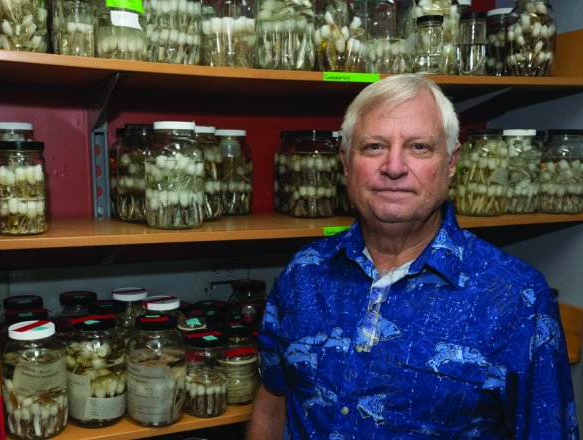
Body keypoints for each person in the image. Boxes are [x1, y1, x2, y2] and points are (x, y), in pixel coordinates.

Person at [248, 74, 579, 439]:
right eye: (374, 146)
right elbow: (273, 397)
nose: (393, 167)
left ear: (451, 162)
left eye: (419, 147)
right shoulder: (304, 273)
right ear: (345, 161)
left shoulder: (518, 298)